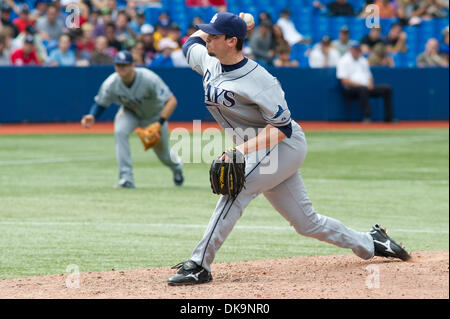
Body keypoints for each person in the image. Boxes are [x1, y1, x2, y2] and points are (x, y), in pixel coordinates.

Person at [168, 12, 410, 286]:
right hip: (259, 149)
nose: (207, 38)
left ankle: (200, 264)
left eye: (214, 35)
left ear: (232, 42)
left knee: (235, 190)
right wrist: (228, 21)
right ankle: (370, 241)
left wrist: (239, 152)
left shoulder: (260, 80)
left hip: (284, 145)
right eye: (208, 34)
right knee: (307, 223)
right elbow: (190, 44)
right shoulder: (210, 62)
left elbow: (281, 129)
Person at [81, 50, 184, 188]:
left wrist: (159, 124)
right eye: (118, 65)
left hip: (154, 116)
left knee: (164, 155)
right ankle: (126, 179)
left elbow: (172, 101)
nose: (121, 68)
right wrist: (92, 115)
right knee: (120, 132)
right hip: (130, 113)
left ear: (132, 65)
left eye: (124, 65)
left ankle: (177, 167)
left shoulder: (149, 78)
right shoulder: (112, 82)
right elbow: (101, 102)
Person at [337, 42, 394, 122]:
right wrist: (361, 85)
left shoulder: (363, 60)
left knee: (387, 89)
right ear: (350, 50)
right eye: (354, 49)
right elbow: (344, 80)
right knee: (363, 89)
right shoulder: (343, 60)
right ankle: (367, 117)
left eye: (357, 49)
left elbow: (369, 76)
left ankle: (389, 118)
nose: (356, 51)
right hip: (350, 89)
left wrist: (370, 84)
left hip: (366, 87)